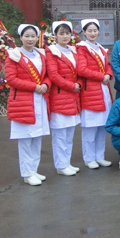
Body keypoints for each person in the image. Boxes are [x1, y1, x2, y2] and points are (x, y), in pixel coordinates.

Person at [6, 24, 51, 186]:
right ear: (20, 37)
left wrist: (45, 84)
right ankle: (27, 173)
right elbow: (11, 79)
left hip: (39, 100)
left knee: (37, 137)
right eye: (27, 36)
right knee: (25, 140)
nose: (30, 39)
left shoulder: (40, 55)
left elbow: (47, 75)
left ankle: (34, 170)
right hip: (23, 102)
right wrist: (34, 87)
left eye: (33, 36)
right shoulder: (14, 56)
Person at [77, 19, 114, 169]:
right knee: (90, 129)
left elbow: (107, 66)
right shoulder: (82, 49)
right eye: (89, 31)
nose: (93, 33)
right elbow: (82, 69)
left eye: (95, 30)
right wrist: (101, 77)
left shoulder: (100, 48)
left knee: (101, 127)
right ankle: (89, 158)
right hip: (91, 92)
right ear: (84, 33)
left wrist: (109, 75)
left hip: (103, 90)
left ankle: (100, 156)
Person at [45, 21, 81, 177]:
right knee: (60, 135)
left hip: (73, 98)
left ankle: (66, 162)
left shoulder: (72, 51)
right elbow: (53, 75)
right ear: (55, 35)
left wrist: (78, 84)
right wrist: (71, 86)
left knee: (69, 135)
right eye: (61, 33)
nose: (65, 36)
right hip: (60, 97)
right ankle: (60, 165)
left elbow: (79, 72)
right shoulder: (52, 52)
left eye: (67, 33)